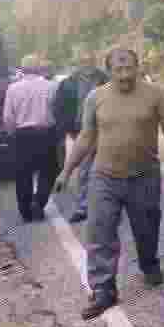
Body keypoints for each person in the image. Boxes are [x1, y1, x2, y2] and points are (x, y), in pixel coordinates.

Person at [53, 47, 164, 320]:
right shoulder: (96, 97)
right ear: (109, 71)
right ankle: (103, 290)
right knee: (99, 232)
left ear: (138, 68)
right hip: (104, 177)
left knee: (147, 228)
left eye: (129, 69)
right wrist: (66, 171)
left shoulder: (156, 94)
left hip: (144, 176)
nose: (125, 75)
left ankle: (149, 263)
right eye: (118, 69)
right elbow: (86, 136)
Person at [52, 49, 109, 223]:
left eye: (90, 60)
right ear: (77, 63)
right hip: (80, 130)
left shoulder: (105, 79)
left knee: (104, 167)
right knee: (85, 169)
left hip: (105, 128)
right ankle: (84, 206)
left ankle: (105, 205)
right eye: (83, 61)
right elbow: (58, 107)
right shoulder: (68, 83)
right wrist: (65, 128)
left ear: (95, 61)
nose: (87, 64)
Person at [3, 54, 60, 223]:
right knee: (48, 171)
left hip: (22, 135)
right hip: (45, 133)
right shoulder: (52, 86)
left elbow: (8, 117)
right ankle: (39, 202)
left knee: (22, 174)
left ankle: (25, 211)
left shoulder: (13, 88)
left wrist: (12, 133)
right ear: (39, 69)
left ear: (21, 69)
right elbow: (57, 111)